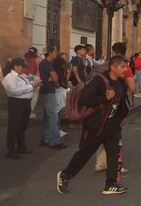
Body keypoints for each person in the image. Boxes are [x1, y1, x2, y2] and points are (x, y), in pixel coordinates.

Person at [56, 56, 130, 195]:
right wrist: (104, 98)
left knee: (114, 153)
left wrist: (122, 117)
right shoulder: (99, 81)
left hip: (112, 126)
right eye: (122, 67)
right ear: (113, 67)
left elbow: (120, 102)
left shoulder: (121, 82)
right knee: (84, 154)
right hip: (95, 126)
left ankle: (110, 184)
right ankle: (65, 175)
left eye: (126, 67)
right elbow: (84, 100)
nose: (125, 70)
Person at [93, 42, 134, 174]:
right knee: (116, 138)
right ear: (124, 51)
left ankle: (100, 162)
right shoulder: (123, 66)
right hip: (116, 107)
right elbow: (132, 88)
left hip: (101, 105)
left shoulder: (105, 64)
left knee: (103, 134)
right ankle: (116, 164)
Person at [2, 58, 40, 158]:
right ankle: (11, 150)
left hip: (25, 103)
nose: (24, 69)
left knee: (23, 125)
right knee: (14, 126)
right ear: (16, 66)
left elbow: (26, 85)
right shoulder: (9, 78)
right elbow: (13, 91)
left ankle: (21, 146)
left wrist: (33, 85)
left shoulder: (22, 76)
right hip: (16, 103)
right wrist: (31, 87)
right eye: (23, 67)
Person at [38, 46, 64, 149]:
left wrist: (53, 78)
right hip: (49, 91)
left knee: (46, 117)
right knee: (53, 116)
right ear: (50, 53)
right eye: (55, 52)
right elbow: (55, 76)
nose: (56, 53)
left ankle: (45, 139)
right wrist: (56, 82)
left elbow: (53, 76)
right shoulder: (47, 63)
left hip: (45, 90)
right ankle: (55, 141)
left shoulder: (44, 63)